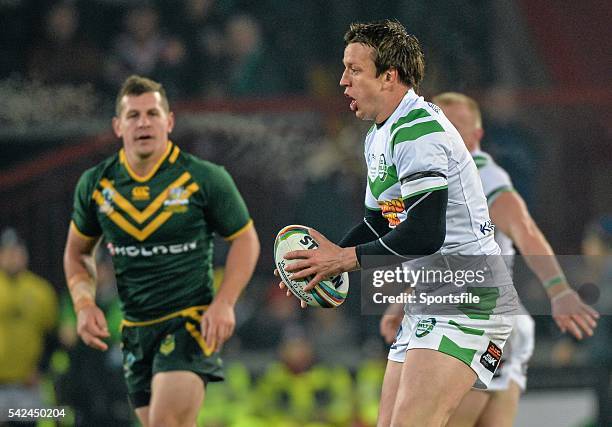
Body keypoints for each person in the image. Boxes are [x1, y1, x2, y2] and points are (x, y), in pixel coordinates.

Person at [278, 19, 518, 426]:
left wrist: (343, 260)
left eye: (354, 69)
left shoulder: (418, 131)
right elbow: (379, 225)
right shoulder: (379, 135)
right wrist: (323, 262)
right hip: (431, 295)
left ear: (389, 77)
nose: (342, 81)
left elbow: (425, 232)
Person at [379, 92, 598, 427]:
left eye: (456, 126)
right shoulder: (433, 174)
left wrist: (558, 289)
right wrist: (406, 300)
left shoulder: (482, 174)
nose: (446, 132)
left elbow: (524, 229)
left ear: (477, 137)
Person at [63, 75, 260, 427]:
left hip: (189, 323)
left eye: (153, 113)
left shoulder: (204, 178)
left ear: (169, 122)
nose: (143, 122)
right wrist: (83, 303)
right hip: (135, 331)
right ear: (117, 126)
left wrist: (225, 301)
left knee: (164, 422)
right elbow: (77, 253)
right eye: (133, 115)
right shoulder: (96, 184)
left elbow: (246, 240)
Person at [0, 228, 58, 426]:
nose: (13, 257)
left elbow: (52, 337)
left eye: (17, 251)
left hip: (27, 385)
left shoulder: (40, 291)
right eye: (7, 252)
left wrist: (41, 368)